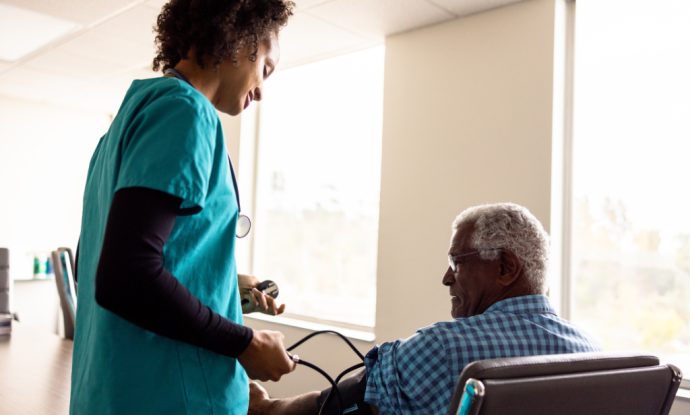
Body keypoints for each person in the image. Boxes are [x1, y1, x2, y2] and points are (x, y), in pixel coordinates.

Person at [70, 1, 297, 414]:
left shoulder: (126, 123)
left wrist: (225, 283)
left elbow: (91, 260)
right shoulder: (185, 112)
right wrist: (246, 342)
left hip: (111, 394)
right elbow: (125, 275)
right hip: (169, 399)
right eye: (266, 68)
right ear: (239, 40)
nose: (262, 89)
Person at [248, 203, 604, 415]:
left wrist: (268, 409)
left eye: (457, 261)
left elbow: (344, 406)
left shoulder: (442, 348)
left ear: (505, 268)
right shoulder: (593, 352)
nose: (447, 278)